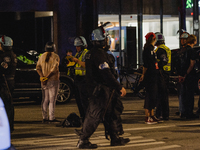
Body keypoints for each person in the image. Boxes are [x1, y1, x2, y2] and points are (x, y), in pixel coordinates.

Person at [76, 26, 129, 149]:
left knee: (112, 112)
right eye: (105, 39)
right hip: (100, 91)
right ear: (101, 40)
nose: (107, 41)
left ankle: (115, 138)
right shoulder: (99, 54)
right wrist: (118, 86)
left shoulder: (92, 53)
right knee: (94, 115)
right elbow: (106, 73)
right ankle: (83, 140)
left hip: (102, 90)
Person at [36, 42, 60, 123]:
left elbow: (38, 68)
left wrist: (42, 77)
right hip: (53, 80)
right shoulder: (55, 56)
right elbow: (54, 69)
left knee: (45, 99)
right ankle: (51, 118)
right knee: (52, 100)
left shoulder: (41, 56)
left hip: (43, 81)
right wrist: (47, 77)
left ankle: (44, 117)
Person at [139, 32, 160, 124]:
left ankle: (152, 115)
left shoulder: (151, 49)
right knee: (149, 95)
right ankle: (147, 116)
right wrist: (143, 75)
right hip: (150, 75)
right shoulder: (148, 50)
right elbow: (146, 64)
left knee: (153, 95)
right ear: (154, 39)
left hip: (153, 74)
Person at [176, 34, 197, 119]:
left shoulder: (181, 50)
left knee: (183, 94)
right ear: (194, 41)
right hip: (189, 76)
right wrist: (186, 74)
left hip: (181, 75)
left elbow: (178, 63)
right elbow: (192, 64)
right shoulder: (192, 51)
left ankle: (183, 112)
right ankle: (189, 113)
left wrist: (180, 75)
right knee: (190, 95)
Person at [0, 35, 17, 133]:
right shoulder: (12, 54)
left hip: (4, 82)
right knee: (8, 104)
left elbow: (2, 69)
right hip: (9, 81)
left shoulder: (5, 56)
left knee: (7, 105)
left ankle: (8, 126)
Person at [71, 36, 89, 123]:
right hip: (77, 79)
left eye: (78, 46)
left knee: (84, 99)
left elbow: (86, 65)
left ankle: (87, 117)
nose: (77, 48)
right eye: (76, 46)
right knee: (78, 99)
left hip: (84, 79)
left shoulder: (86, 53)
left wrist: (77, 61)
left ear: (83, 46)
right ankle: (83, 116)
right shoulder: (78, 53)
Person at [154, 32, 171, 121]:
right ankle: (165, 114)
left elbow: (162, 61)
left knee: (161, 96)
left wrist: (157, 66)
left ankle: (161, 114)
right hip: (166, 73)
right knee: (164, 96)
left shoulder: (160, 50)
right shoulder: (166, 48)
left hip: (162, 74)